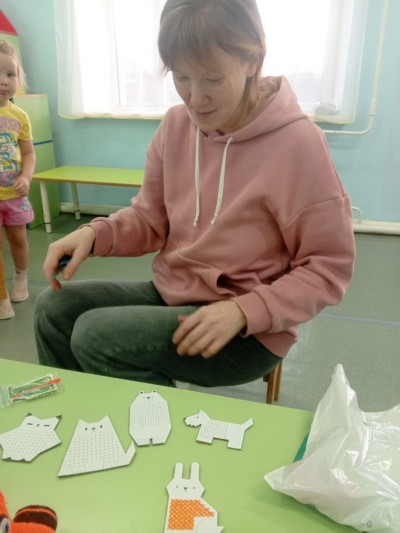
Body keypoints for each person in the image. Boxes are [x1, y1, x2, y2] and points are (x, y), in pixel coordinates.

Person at [34, 0, 355, 388]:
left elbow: (329, 266)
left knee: (97, 336)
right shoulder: (175, 126)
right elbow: (149, 219)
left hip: (248, 328)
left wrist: (245, 310)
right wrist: (94, 233)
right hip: (174, 292)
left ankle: (149, 421)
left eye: (212, 80)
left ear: (253, 60)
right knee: (53, 309)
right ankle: (86, 415)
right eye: (181, 76)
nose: (195, 97)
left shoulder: (299, 143)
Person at [0, 39, 35, 320]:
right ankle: (1, 296)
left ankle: (21, 276)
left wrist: (26, 176)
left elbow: (29, 153)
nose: (4, 81)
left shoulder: (20, 116)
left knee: (18, 240)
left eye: (10, 74)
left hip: (14, 194)